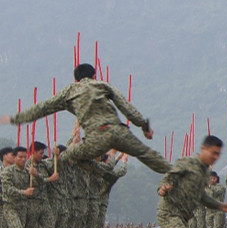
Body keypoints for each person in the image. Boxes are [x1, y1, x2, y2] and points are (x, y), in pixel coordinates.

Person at [1, 63, 171, 174]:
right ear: (94, 76)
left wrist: (15, 119)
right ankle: (179, 172)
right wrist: (144, 126)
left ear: (75, 79)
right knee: (147, 154)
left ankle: (104, 174)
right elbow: (127, 108)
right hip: (119, 130)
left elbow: (42, 108)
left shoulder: (70, 91)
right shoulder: (102, 85)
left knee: (69, 156)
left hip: (96, 136)